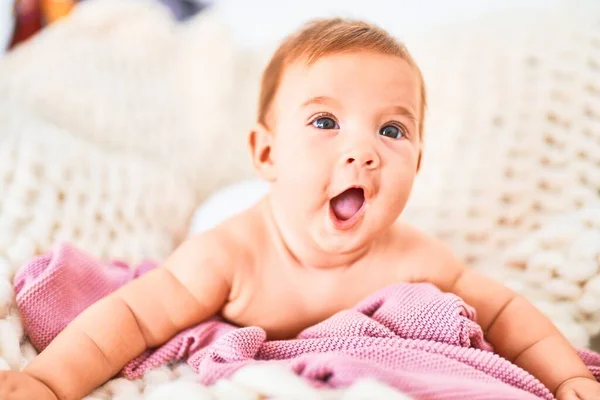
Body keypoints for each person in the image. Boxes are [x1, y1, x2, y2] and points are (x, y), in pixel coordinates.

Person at [2, 17, 599, 400]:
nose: (362, 151)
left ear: (417, 166)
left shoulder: (413, 256)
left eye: (392, 131)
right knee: (197, 231)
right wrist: (48, 383)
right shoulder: (228, 254)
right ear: (266, 152)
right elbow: (129, 319)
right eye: (325, 122)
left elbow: (505, 313)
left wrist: (569, 377)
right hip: (225, 210)